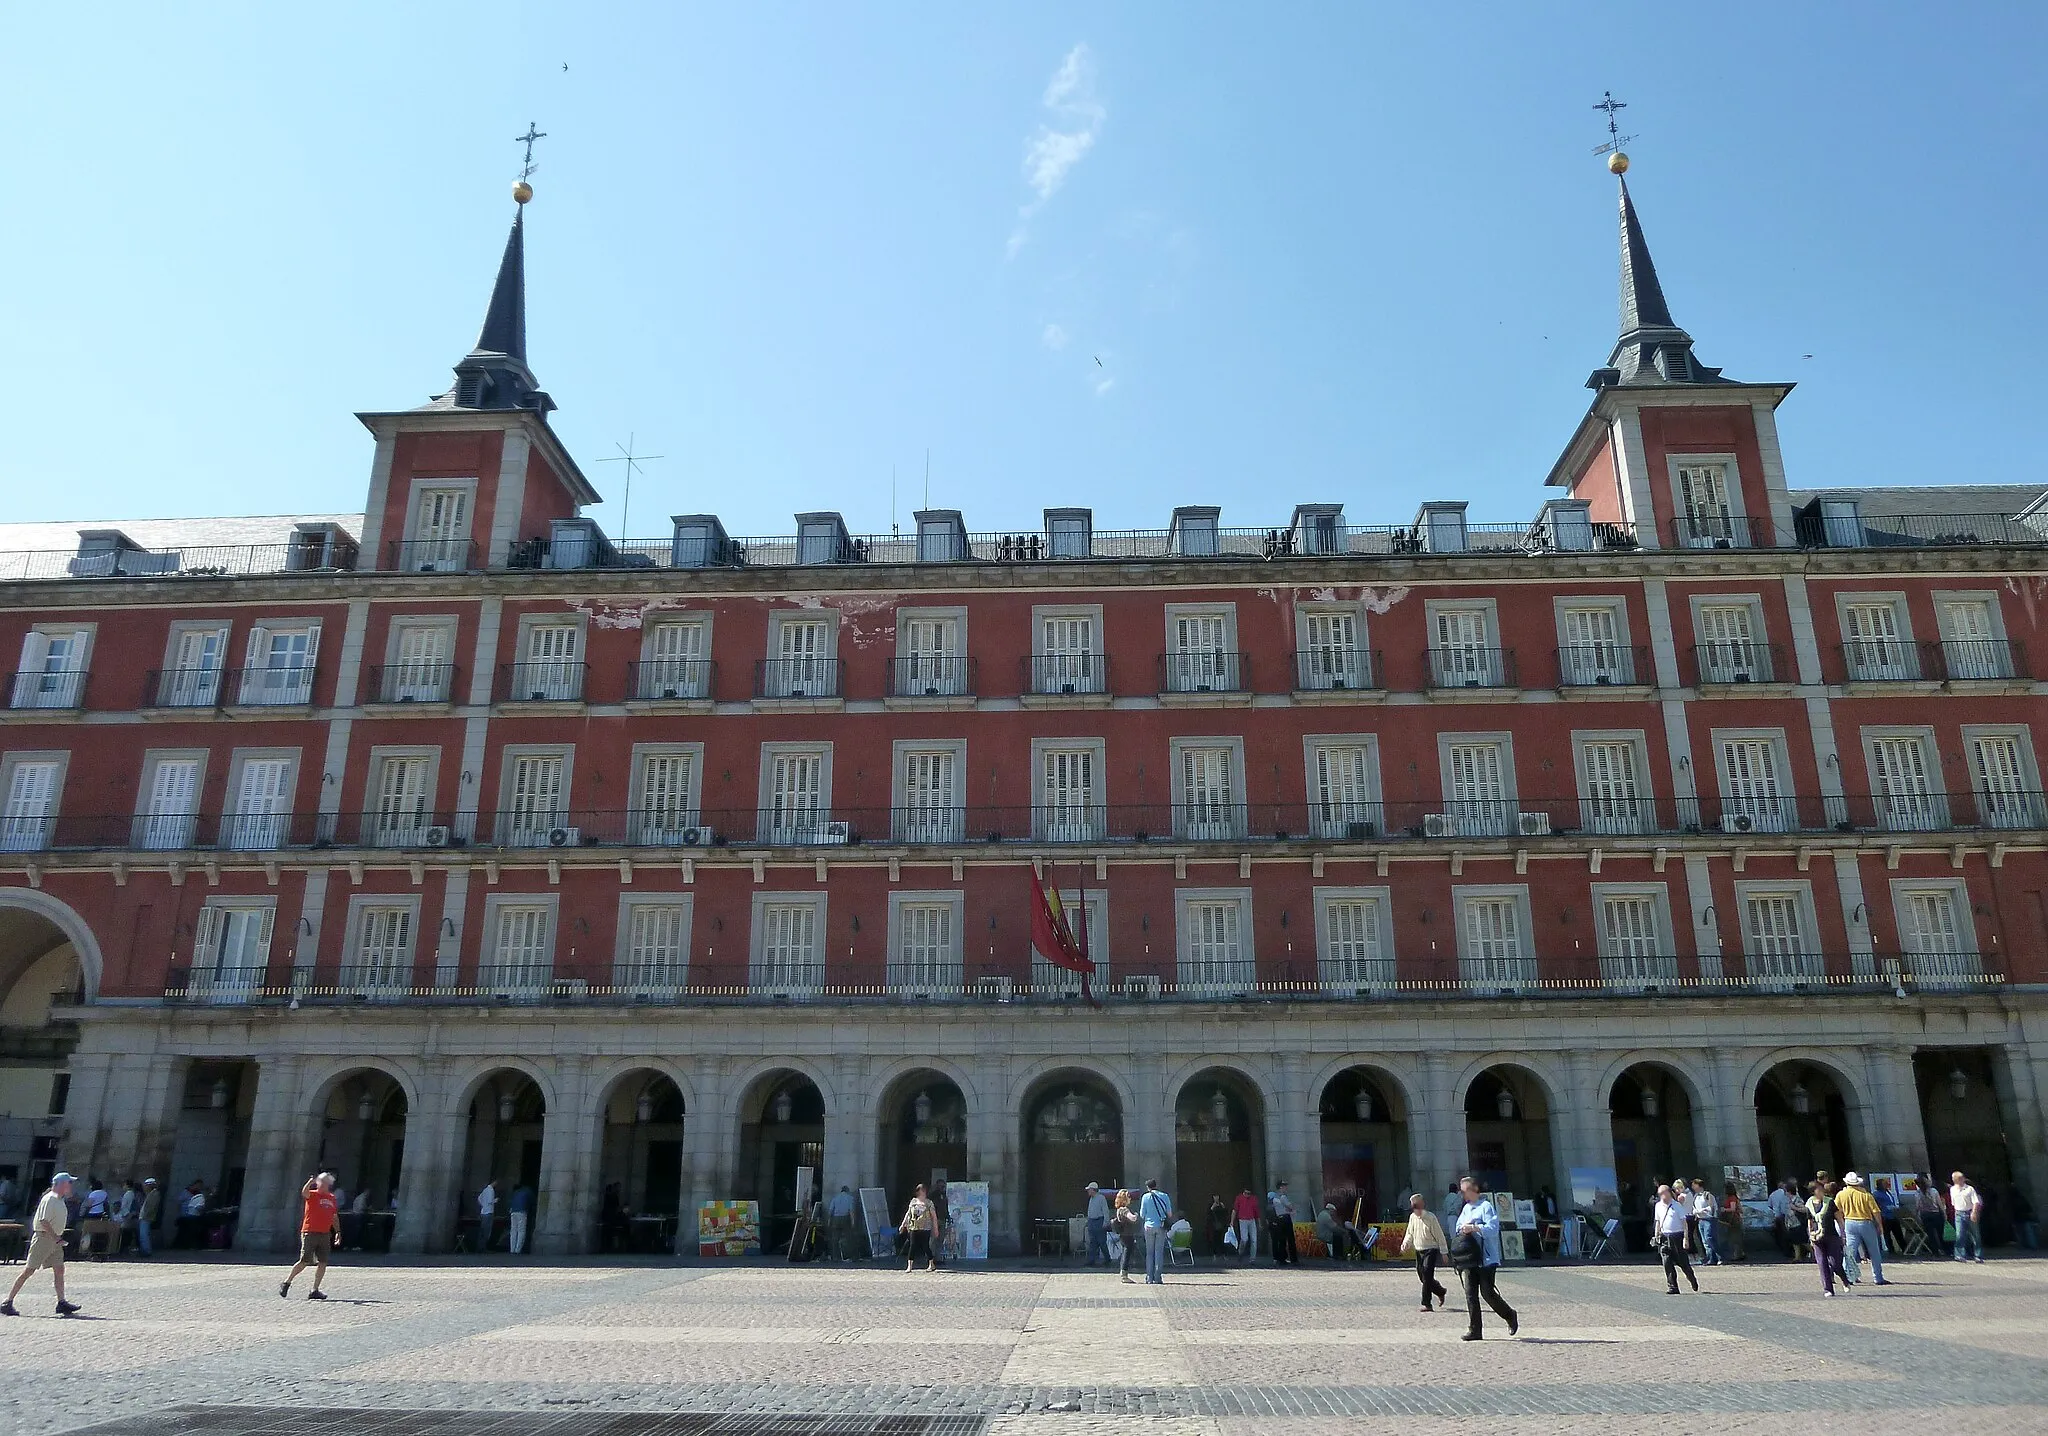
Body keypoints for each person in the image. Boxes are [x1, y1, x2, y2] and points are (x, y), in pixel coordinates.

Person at [3, 1173, 81, 1317]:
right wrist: (56, 1238)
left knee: (59, 1269)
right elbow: (44, 1221)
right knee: (29, 1270)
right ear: (61, 1184)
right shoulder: (50, 1199)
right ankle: (8, 1301)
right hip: (44, 1238)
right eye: (69, 1182)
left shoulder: (59, 1200)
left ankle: (61, 1302)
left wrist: (57, 1239)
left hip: (54, 1240)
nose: (71, 1185)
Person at [1452, 1176, 1518, 1341]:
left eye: (1464, 1190)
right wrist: (1463, 1229)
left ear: (1474, 1190)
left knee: (1487, 1293)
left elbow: (1493, 1228)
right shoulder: (1466, 1208)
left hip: (1486, 1258)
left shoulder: (1486, 1206)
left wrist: (1475, 1227)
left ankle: (1509, 1315)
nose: (1462, 1194)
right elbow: (1458, 1227)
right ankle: (1475, 1330)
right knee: (1470, 1294)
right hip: (1469, 1257)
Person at [280, 1172, 340, 1300]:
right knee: (305, 1261)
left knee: (323, 1262)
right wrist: (309, 1182)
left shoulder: (331, 1197)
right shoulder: (312, 1195)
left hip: (324, 1233)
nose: (323, 1185)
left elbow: (334, 1216)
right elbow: (304, 1193)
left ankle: (315, 1290)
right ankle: (287, 1282)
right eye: (321, 1182)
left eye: (326, 1183)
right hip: (310, 1232)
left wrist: (337, 1232)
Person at [1399, 1191, 1451, 1312]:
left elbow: (1439, 1235)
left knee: (1427, 1274)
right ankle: (1440, 1291)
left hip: (1431, 1249)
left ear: (1422, 1205)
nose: (1415, 1209)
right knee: (1422, 1276)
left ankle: (1427, 1303)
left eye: (1416, 1206)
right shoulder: (1412, 1217)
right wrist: (1405, 1243)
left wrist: (1444, 1252)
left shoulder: (1431, 1217)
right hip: (1418, 1249)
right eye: (1413, 1207)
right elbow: (1409, 1233)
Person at [1836, 1173, 1888, 1285]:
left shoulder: (1841, 1194)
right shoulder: (1866, 1195)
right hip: (1865, 1222)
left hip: (1849, 1221)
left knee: (1850, 1251)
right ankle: (1878, 1277)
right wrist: (1880, 1225)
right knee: (1874, 1251)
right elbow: (1876, 1211)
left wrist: (1842, 1223)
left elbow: (1837, 1210)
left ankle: (1849, 1276)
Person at [1653, 1184, 1700, 1294]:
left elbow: (1684, 1223)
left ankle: (1692, 1279)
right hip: (1665, 1237)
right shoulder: (1658, 1206)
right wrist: (1656, 1235)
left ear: (1669, 1193)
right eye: (1659, 1194)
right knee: (1667, 1262)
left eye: (1662, 1193)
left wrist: (1686, 1238)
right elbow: (1658, 1222)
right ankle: (1672, 1286)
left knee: (1683, 1263)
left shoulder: (1677, 1206)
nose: (1661, 1196)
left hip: (1677, 1237)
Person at [1807, 1179, 1848, 1296]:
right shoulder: (1809, 1205)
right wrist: (1810, 1235)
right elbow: (1809, 1221)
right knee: (1822, 1263)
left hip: (1831, 1236)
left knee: (1835, 1263)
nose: (1821, 1192)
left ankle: (1845, 1280)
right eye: (1819, 1190)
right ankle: (1828, 1289)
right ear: (1813, 1192)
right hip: (1817, 1237)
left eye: (1822, 1189)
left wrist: (1843, 1235)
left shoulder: (1830, 1202)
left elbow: (1839, 1219)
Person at [1139, 1178, 1173, 1285]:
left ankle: (1149, 1277)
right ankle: (1158, 1277)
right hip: (1161, 1226)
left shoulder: (1145, 1197)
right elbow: (1170, 1214)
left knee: (1149, 1253)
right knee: (1159, 1252)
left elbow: (1142, 1214)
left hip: (1148, 1226)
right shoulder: (1164, 1196)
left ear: (1148, 1187)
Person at [900, 1182, 937, 1273]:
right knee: (912, 1245)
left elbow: (934, 1216)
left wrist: (935, 1228)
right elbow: (908, 1214)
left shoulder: (929, 1203)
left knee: (925, 1246)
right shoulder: (913, 1202)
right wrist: (903, 1224)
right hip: (913, 1226)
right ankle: (910, 1266)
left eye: (924, 1190)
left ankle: (931, 1263)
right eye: (921, 1190)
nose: (922, 1192)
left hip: (925, 1227)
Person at [1950, 1170, 1984, 1262]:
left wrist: (1974, 1212)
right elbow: (1953, 1203)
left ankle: (1978, 1255)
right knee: (1959, 1235)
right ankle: (1959, 1255)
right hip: (1959, 1213)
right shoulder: (1952, 1189)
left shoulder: (1969, 1189)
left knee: (1975, 1235)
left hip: (1969, 1212)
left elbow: (1976, 1202)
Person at [1110, 1190, 1142, 1283]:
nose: (1130, 1198)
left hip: (1122, 1235)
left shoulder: (1118, 1209)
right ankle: (1124, 1275)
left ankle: (1123, 1273)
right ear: (1125, 1199)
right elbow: (1132, 1218)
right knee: (1126, 1254)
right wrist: (1136, 1215)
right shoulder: (1124, 1209)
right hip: (1128, 1235)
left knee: (1125, 1253)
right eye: (1128, 1196)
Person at [1689, 1179, 1720, 1266]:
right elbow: (1694, 1207)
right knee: (1704, 1240)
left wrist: (1701, 1211)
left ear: (1699, 1185)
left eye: (1694, 1185)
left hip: (1708, 1219)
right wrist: (1695, 1212)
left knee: (1709, 1238)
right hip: (1700, 1220)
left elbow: (1712, 1207)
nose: (1692, 1187)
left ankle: (1716, 1257)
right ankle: (1711, 1258)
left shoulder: (1707, 1195)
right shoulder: (1695, 1196)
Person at [1916, 1175, 1947, 1258]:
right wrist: (1944, 1214)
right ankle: (1945, 1250)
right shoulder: (1933, 1191)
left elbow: (1917, 1206)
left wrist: (1918, 1216)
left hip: (1925, 1215)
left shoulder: (1918, 1193)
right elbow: (1939, 1204)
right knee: (1940, 1233)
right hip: (1935, 1214)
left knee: (1931, 1235)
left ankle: (1935, 1252)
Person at [1269, 1179, 1298, 1266]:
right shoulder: (1283, 1197)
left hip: (1279, 1219)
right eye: (1285, 1186)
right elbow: (1290, 1207)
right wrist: (1291, 1209)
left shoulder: (1275, 1198)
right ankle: (1293, 1259)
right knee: (1290, 1239)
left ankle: (1282, 1258)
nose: (1286, 1188)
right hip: (1285, 1218)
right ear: (1281, 1187)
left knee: (1282, 1240)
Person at [1719, 1182, 1748, 1263]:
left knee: (1734, 1238)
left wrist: (1724, 1209)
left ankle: (1737, 1255)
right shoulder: (1733, 1197)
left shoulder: (1732, 1198)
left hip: (1733, 1220)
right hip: (1734, 1219)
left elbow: (1733, 1208)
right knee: (1735, 1237)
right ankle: (1739, 1253)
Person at [826, 1185, 857, 1261]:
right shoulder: (850, 1198)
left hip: (836, 1219)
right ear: (847, 1191)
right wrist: (853, 1222)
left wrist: (829, 1221)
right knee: (849, 1238)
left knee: (835, 1239)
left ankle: (835, 1257)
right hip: (845, 1218)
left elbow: (830, 1211)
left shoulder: (835, 1198)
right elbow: (851, 1211)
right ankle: (850, 1256)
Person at [1768, 1178, 1796, 1260]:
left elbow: (1769, 1205)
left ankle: (1782, 1249)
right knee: (1786, 1234)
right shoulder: (1785, 1194)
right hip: (1784, 1216)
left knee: (1779, 1234)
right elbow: (1785, 1206)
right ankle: (1788, 1251)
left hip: (1776, 1216)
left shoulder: (1772, 1194)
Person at [1232, 1186, 1261, 1263]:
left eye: (1248, 1194)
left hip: (1251, 1220)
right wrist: (1232, 1221)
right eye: (1245, 1193)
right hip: (1242, 1220)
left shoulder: (1253, 1199)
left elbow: (1256, 1212)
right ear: (1243, 1192)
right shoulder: (1239, 1198)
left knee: (1254, 1240)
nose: (1247, 1195)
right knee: (1244, 1239)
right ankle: (1240, 1252)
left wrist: (1259, 1222)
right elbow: (1235, 1210)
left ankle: (1252, 1259)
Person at [1083, 1182, 1109, 1266]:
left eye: (1089, 1190)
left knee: (1102, 1242)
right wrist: (1088, 1220)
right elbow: (1090, 1211)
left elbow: (1105, 1211)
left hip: (1099, 1221)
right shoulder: (1091, 1199)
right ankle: (1091, 1260)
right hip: (1092, 1222)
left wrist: (1105, 1222)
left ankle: (1107, 1258)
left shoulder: (1101, 1198)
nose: (1088, 1191)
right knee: (1092, 1242)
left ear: (1093, 1190)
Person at [137, 1178, 160, 1257]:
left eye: (146, 1185)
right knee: (144, 1234)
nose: (145, 1187)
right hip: (144, 1217)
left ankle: (146, 1251)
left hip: (146, 1217)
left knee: (144, 1234)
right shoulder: (150, 1193)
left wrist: (145, 1215)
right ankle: (144, 1249)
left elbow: (151, 1207)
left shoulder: (155, 1194)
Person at [508, 1182, 533, 1255]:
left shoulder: (515, 1192)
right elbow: (532, 1201)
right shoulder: (528, 1191)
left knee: (513, 1231)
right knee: (521, 1231)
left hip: (513, 1211)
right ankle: (518, 1250)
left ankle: (512, 1249)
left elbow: (511, 1201)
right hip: (522, 1211)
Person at [1205, 1194, 1230, 1261]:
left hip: (1221, 1225)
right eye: (1215, 1197)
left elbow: (1225, 1214)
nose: (1216, 1198)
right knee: (1214, 1241)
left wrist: (1223, 1207)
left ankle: (1224, 1255)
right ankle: (1214, 1255)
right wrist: (1212, 1208)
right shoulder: (1211, 1205)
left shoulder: (1221, 1204)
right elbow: (1208, 1214)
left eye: (1217, 1196)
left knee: (1222, 1241)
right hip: (1213, 1226)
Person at [476, 1180, 498, 1251]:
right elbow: (490, 1201)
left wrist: (483, 1205)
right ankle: (483, 1247)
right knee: (486, 1231)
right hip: (488, 1212)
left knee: (482, 1230)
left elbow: (479, 1198)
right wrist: (495, 1200)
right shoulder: (491, 1190)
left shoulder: (485, 1190)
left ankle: (480, 1246)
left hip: (483, 1212)